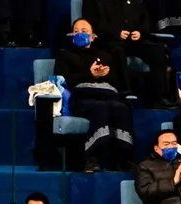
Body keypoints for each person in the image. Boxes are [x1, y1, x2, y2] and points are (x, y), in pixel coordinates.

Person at [56, 19, 135, 172]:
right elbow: (63, 79)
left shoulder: (105, 55)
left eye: (84, 31)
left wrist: (104, 74)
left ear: (93, 36)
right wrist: (90, 74)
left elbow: (117, 81)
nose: (80, 34)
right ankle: (92, 158)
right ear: (72, 35)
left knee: (120, 108)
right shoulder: (65, 56)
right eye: (76, 31)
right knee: (100, 108)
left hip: (108, 95)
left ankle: (123, 159)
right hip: (83, 97)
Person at [83, 0, 172, 108]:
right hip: (109, 41)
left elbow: (146, 20)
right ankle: (125, 92)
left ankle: (158, 97)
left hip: (134, 41)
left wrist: (140, 32)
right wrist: (115, 32)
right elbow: (93, 24)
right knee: (118, 51)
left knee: (158, 51)